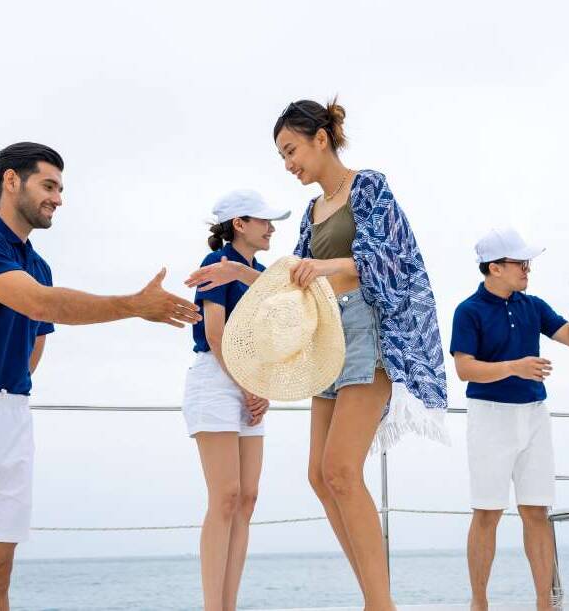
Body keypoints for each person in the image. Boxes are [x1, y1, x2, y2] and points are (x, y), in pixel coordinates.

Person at [0, 142, 200, 611]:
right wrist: (133, 305)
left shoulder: (39, 265)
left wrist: (6, 389)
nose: (58, 198)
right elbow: (38, 304)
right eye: (49, 186)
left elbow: (35, 341)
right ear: (11, 181)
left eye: (60, 188)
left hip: (10, 416)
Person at [188, 98, 448, 611]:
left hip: (367, 333)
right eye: (282, 155)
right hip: (324, 336)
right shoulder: (311, 212)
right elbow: (292, 284)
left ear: (320, 139)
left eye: (291, 150)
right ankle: (375, 597)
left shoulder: (368, 186)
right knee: (319, 473)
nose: (288, 164)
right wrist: (241, 273)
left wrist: (326, 269)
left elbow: (393, 260)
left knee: (342, 470)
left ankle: (380, 604)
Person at [450, 227, 569, 611]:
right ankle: (479, 603)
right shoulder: (468, 311)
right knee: (487, 512)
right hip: (490, 418)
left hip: (534, 416)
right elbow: (465, 370)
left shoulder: (532, 305)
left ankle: (544, 605)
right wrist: (514, 367)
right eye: (520, 263)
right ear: (495, 268)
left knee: (536, 512)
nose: (527, 269)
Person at [184, 189, 289, 610]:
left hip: (253, 383)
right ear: (239, 225)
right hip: (216, 378)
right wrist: (247, 385)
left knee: (248, 497)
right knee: (225, 495)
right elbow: (215, 333)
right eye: (263, 220)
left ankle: (230, 603)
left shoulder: (262, 273)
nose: (271, 228)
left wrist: (260, 385)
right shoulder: (217, 264)